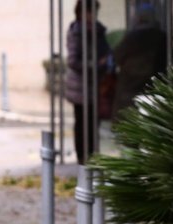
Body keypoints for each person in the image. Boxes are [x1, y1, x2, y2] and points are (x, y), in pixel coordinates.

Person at [65, 0, 111, 165]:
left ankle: (92, 158)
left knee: (94, 124)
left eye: (94, 12)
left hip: (96, 86)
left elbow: (107, 51)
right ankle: (83, 159)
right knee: (82, 124)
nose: (92, 16)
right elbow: (73, 61)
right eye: (89, 12)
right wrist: (95, 65)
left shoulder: (99, 31)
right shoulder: (76, 32)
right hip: (81, 87)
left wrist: (105, 63)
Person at [111, 2, 167, 120]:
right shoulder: (161, 38)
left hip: (129, 90)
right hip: (153, 88)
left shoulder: (132, 37)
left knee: (128, 125)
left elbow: (116, 57)